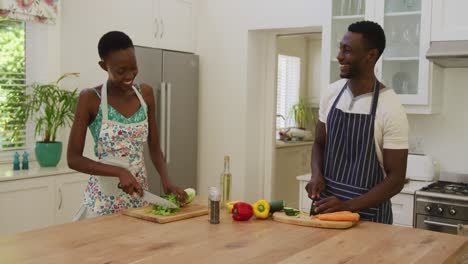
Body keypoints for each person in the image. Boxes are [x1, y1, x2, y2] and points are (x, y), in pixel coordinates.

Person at [67, 31, 187, 220]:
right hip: (103, 201)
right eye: (120, 71)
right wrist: (119, 172)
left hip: (139, 198)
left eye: (133, 68)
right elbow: (73, 159)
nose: (129, 76)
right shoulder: (90, 98)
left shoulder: (145, 94)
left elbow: (154, 148)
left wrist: (166, 181)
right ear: (103, 66)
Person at [306, 21, 409, 224]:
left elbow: (396, 180)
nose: (339, 56)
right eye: (340, 48)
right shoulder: (331, 93)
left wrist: (347, 206)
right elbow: (319, 143)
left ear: (371, 55)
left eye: (348, 50)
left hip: (369, 218)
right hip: (325, 209)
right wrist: (316, 174)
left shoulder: (391, 107)